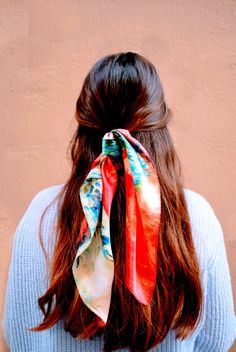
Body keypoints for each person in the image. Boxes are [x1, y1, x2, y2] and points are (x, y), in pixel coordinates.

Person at [2, 51, 236, 352]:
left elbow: (17, 337)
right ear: (159, 127)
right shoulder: (195, 216)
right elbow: (218, 341)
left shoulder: (40, 213)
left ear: (82, 126)